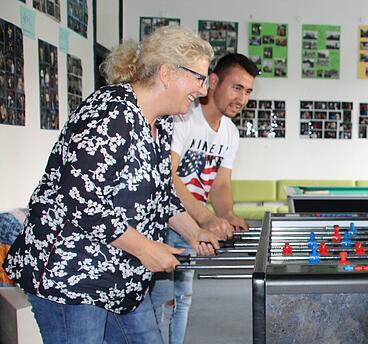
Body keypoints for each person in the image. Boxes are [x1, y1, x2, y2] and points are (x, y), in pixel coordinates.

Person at [2, 26, 223, 344]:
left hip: (122, 278)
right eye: (199, 78)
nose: (203, 91)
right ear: (166, 72)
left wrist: (194, 232)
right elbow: (82, 200)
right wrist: (147, 249)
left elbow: (162, 197)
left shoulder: (160, 123)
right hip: (74, 278)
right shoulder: (109, 112)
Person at [150, 53, 257, 344]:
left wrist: (227, 215)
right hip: (165, 222)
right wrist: (207, 217)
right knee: (162, 302)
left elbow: (220, 184)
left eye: (247, 91)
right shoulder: (183, 117)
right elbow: (167, 177)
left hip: (192, 223)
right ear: (213, 81)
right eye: (236, 87)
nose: (242, 98)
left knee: (183, 299)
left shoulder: (230, 133)